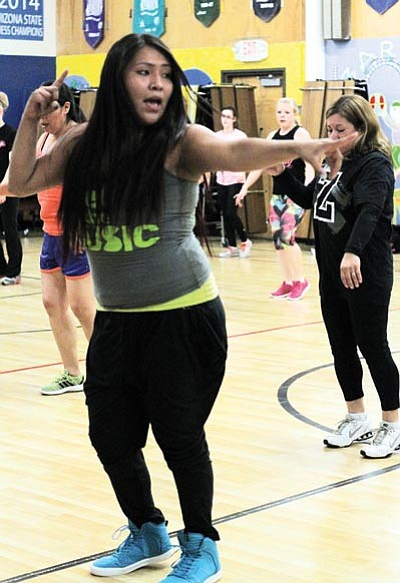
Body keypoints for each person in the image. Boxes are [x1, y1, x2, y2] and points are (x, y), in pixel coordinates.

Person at [8, 34, 356, 581]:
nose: (158, 84)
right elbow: (19, 181)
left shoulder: (178, 142)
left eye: (166, 75)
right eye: (145, 72)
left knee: (178, 435)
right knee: (110, 436)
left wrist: (297, 147)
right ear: (118, 78)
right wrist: (29, 118)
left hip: (183, 317)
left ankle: (200, 543)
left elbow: (234, 152)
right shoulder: (81, 145)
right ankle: (148, 531)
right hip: (119, 320)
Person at [264, 94, 400, 459]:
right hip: (331, 272)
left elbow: (371, 213)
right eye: (329, 129)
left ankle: (393, 424)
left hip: (365, 271)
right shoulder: (333, 162)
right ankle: (356, 417)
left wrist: (353, 252)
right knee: (341, 347)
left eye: (341, 130)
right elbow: (313, 200)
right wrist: (283, 177)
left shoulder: (375, 164)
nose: (333, 136)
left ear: (362, 128)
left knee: (373, 347)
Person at [35, 82, 96, 395]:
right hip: (50, 232)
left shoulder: (79, 138)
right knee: (51, 303)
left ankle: (111, 372)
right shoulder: (44, 137)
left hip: (75, 231)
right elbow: (24, 177)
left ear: (66, 107)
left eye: (49, 110)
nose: (42, 117)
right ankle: (73, 374)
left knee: (84, 309)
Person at [236, 98, 312, 300]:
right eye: (279, 112)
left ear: (295, 113)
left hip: (295, 195)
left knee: (287, 236)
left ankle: (300, 280)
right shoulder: (272, 136)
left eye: (287, 112)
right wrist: (244, 187)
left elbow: (311, 163)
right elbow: (260, 165)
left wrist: (309, 189)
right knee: (278, 240)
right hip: (277, 196)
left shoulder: (300, 134)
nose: (282, 116)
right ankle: (287, 281)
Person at [214, 106, 252, 258]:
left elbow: (245, 157)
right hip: (221, 179)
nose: (225, 119)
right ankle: (231, 246)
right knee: (224, 214)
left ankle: (245, 240)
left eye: (228, 116)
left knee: (231, 212)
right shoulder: (216, 136)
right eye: (223, 116)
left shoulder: (240, 136)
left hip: (236, 179)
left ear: (234, 119)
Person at [0, 91, 23, 286]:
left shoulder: (10, 134)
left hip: (8, 188)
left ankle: (14, 272)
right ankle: (1, 269)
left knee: (10, 229)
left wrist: (3, 190)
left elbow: (11, 164)